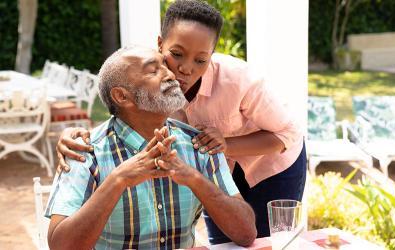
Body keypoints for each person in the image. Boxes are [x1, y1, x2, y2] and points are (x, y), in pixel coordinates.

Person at [56, 0, 307, 244]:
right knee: (220, 236)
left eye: (201, 60)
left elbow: (288, 133)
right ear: (160, 44)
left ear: (212, 55)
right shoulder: (148, 80)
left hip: (271, 163)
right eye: (175, 55)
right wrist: (80, 136)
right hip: (216, 160)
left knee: (269, 239)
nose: (183, 70)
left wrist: (221, 148)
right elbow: (124, 106)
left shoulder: (238, 80)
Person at [45, 45, 257, 250]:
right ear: (122, 96)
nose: (171, 75)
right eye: (154, 70)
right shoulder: (85, 153)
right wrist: (118, 181)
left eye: (165, 66)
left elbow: (246, 234)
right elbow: (60, 245)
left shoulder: (199, 145)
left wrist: (193, 178)